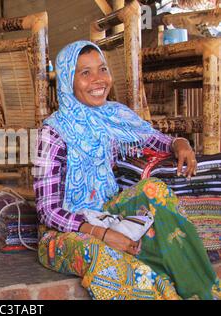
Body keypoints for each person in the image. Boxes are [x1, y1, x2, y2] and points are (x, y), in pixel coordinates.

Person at [33, 40, 220, 300]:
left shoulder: (116, 115)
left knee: (154, 190)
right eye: (85, 73)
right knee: (103, 256)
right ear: (68, 80)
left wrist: (181, 143)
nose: (99, 80)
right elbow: (47, 211)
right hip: (66, 233)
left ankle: (207, 295)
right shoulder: (52, 132)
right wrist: (103, 234)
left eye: (103, 69)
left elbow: (156, 140)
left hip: (111, 213)